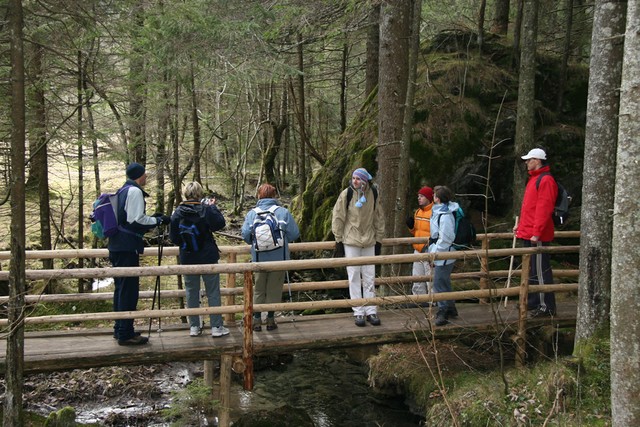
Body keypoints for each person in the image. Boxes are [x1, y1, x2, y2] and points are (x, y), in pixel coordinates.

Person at [108, 162, 170, 346]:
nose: (146, 177)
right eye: (145, 174)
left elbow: (129, 218)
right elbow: (136, 219)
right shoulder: (134, 191)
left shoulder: (123, 190)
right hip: (127, 247)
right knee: (128, 290)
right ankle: (126, 334)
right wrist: (158, 220)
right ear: (139, 175)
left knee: (120, 288)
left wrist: (153, 218)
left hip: (117, 245)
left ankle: (120, 328)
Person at [169, 182, 229, 338]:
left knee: (191, 292)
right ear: (199, 193)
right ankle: (216, 326)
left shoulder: (177, 212)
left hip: (188, 257)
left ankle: (194, 326)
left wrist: (186, 244)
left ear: (185, 194)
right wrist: (213, 207)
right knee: (213, 291)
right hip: (208, 256)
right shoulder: (206, 209)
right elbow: (220, 224)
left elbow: (173, 237)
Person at [241, 183, 300, 332]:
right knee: (274, 289)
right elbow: (294, 234)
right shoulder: (283, 212)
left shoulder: (252, 214)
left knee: (259, 289)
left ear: (259, 195)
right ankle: (270, 320)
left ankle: (256, 320)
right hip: (279, 259)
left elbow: (246, 236)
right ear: (274, 196)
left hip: (259, 259)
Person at [331, 167, 385, 327]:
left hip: (369, 240)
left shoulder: (373, 193)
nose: (355, 181)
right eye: (353, 178)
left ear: (365, 181)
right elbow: (338, 216)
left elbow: (378, 217)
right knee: (354, 276)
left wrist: (379, 240)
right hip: (351, 240)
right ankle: (358, 312)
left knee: (369, 276)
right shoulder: (346, 194)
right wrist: (338, 239)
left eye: (358, 178)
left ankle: (371, 310)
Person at [514, 148, 558, 317]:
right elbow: (530, 209)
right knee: (532, 270)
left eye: (529, 159)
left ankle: (546, 306)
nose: (526, 162)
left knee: (540, 270)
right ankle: (533, 302)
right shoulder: (533, 179)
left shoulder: (545, 180)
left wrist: (537, 233)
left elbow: (543, 209)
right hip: (529, 232)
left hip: (536, 235)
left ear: (538, 160)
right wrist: (521, 227)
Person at [428, 185, 459, 326]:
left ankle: (443, 310)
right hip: (442, 250)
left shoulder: (445, 215)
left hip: (444, 252)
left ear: (437, 199)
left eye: (434, 195)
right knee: (444, 281)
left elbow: (446, 237)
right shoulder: (441, 212)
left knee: (439, 282)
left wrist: (435, 253)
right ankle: (451, 307)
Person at [406, 186, 434, 297]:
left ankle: (434, 302)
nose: (419, 198)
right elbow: (416, 232)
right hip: (417, 250)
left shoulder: (434, 212)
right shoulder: (418, 212)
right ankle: (418, 302)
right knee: (417, 279)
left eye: (421, 196)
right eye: (418, 196)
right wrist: (411, 226)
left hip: (429, 250)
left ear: (428, 197)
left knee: (430, 280)